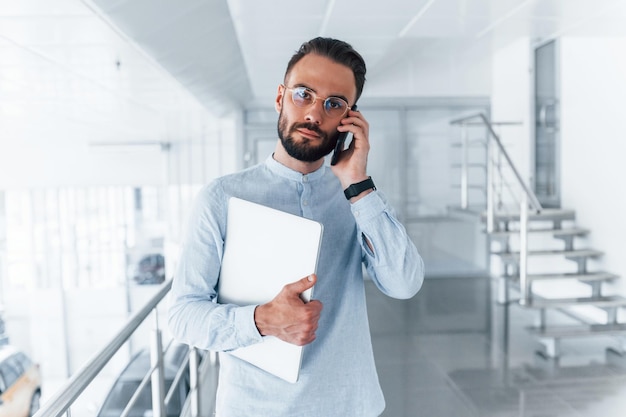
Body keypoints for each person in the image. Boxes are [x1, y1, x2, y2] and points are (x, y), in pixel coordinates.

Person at [168, 37, 425, 417]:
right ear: (280, 98)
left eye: (333, 104)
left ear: (349, 119)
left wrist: (358, 185)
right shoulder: (221, 198)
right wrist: (260, 320)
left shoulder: (358, 198)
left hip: (348, 405)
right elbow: (182, 316)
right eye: (303, 94)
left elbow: (404, 284)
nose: (313, 114)